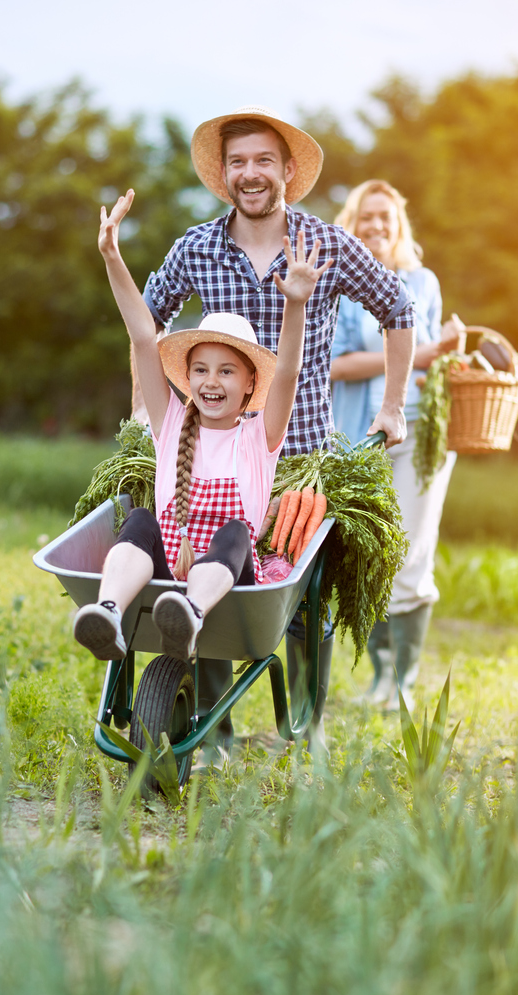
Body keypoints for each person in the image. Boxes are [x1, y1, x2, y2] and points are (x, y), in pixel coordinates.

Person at [136, 108, 418, 753]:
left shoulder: (325, 244)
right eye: (238, 162)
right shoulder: (196, 248)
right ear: (224, 173)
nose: (251, 173)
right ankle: (214, 731)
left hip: (300, 459)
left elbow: (398, 307)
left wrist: (393, 405)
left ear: (288, 171)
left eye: (264, 160)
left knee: (301, 607)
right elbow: (146, 323)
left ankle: (305, 726)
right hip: (213, 454)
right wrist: (140, 409)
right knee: (198, 576)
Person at [72, 189, 330, 665]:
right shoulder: (171, 422)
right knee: (141, 521)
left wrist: (296, 304)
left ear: (252, 383)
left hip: (226, 581)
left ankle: (188, 613)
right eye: (201, 369)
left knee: (234, 532)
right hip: (169, 566)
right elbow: (142, 335)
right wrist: (111, 256)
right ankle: (108, 611)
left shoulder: (259, 437)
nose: (212, 381)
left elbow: (290, 371)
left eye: (227, 370)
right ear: (187, 378)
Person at [330, 179, 465, 712]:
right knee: (368, 557)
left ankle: (401, 685)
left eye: (387, 216)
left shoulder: (422, 280)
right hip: (356, 439)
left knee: (412, 557)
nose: (377, 225)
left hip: (416, 439)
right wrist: (424, 352)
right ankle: (379, 677)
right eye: (368, 216)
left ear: (399, 223)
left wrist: (444, 354)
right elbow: (337, 364)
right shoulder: (340, 284)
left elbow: (429, 365)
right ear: (353, 221)